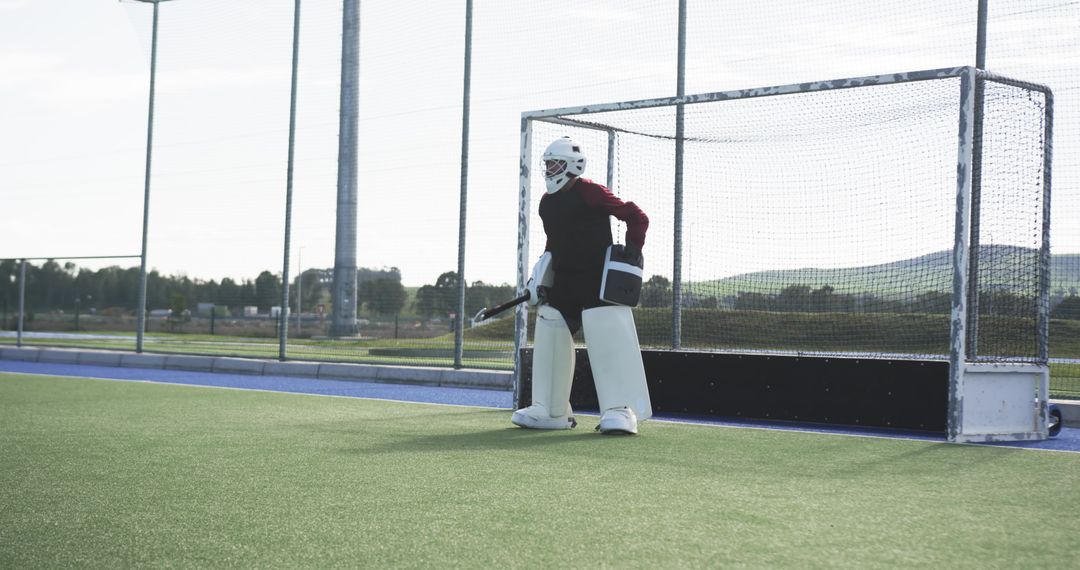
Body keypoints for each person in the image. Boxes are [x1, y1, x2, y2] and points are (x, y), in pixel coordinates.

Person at [511, 136, 653, 435]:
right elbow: (553, 241)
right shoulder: (547, 203)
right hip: (564, 280)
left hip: (598, 280)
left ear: (573, 165)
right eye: (547, 164)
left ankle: (619, 410)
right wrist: (539, 276)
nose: (550, 169)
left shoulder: (590, 191)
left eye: (555, 163)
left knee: (605, 331)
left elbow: (636, 217)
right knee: (550, 326)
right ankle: (551, 411)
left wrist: (631, 252)